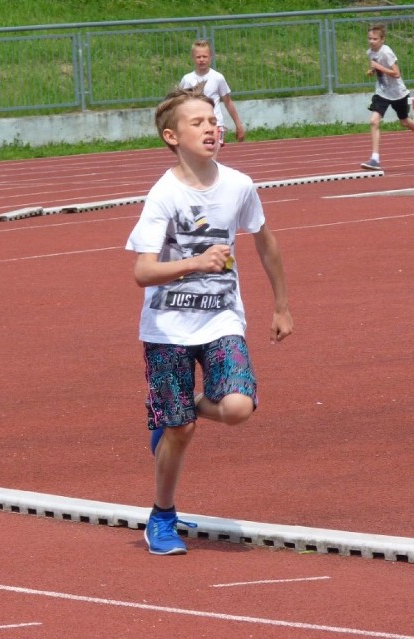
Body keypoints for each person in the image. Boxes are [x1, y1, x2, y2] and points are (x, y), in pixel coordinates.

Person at [126, 84, 293, 556]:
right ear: (171, 136)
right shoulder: (163, 195)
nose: (210, 128)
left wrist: (281, 304)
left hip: (222, 320)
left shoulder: (239, 185)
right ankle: (161, 517)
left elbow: (265, 242)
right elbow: (142, 271)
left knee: (238, 408)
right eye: (197, 122)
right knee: (178, 433)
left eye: (213, 120)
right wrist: (194, 263)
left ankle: (180, 408)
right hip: (166, 329)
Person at [360, 23, 414, 171]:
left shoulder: (387, 52)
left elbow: (396, 73)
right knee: (374, 121)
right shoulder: (370, 53)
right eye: (369, 38)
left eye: (375, 39)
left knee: (405, 122)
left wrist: (379, 67)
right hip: (382, 93)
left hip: (398, 93)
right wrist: (372, 71)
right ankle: (375, 158)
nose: (371, 41)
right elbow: (376, 67)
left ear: (382, 40)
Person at [179, 39, 246, 146]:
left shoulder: (218, 78)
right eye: (198, 57)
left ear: (211, 57)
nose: (201, 60)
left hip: (215, 124)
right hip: (196, 125)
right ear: (193, 58)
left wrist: (238, 125)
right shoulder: (187, 79)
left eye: (204, 56)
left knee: (212, 152)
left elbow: (228, 102)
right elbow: (180, 104)